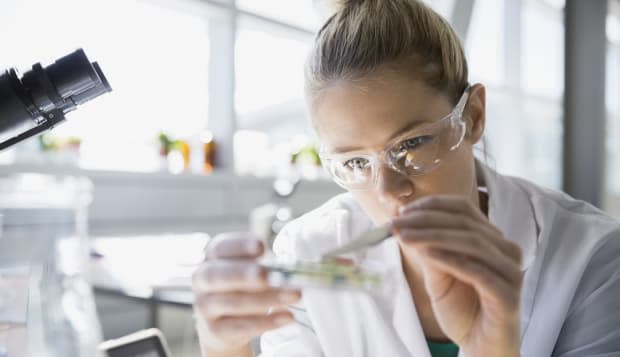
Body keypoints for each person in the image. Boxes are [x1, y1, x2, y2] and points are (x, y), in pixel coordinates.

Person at [192, 0, 620, 356]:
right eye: (356, 163)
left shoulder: (592, 259)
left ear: (472, 117)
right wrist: (223, 349)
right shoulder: (309, 251)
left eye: (412, 145)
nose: (389, 191)